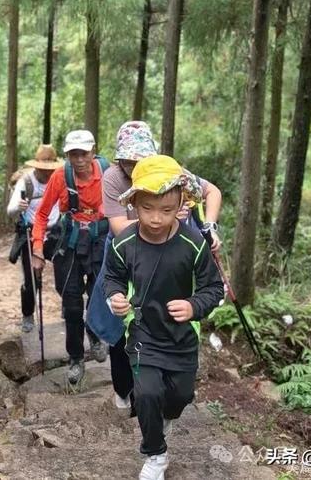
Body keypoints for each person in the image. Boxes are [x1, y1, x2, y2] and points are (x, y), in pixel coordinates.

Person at [103, 155, 224, 480]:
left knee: (179, 397)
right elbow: (112, 277)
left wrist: (193, 306)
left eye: (167, 210)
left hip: (181, 338)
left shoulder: (192, 243)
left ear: (181, 205)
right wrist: (115, 297)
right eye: (147, 209)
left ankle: (163, 419)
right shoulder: (124, 243)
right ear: (134, 204)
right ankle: (155, 454)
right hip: (143, 333)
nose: (156, 218)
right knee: (146, 394)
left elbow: (214, 288)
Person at [101, 120, 223, 410]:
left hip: (170, 250)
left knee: (163, 316)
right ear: (119, 160)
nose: (135, 166)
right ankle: (124, 388)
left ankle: (158, 392)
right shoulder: (113, 178)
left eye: (142, 159)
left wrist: (208, 226)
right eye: (128, 161)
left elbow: (212, 192)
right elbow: (118, 226)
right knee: (119, 319)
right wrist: (162, 217)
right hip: (128, 252)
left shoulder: (169, 173)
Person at [31, 129, 109, 385]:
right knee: (72, 303)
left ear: (93, 152)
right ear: (67, 155)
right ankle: (76, 358)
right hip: (71, 241)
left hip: (100, 239)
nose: (79, 159)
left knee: (99, 294)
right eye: (73, 154)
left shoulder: (108, 172)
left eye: (83, 153)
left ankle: (95, 333)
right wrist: (38, 248)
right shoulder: (60, 177)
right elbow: (42, 214)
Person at [6, 144, 62, 333]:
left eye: (50, 169)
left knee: (67, 272)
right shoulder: (26, 182)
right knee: (31, 280)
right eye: (43, 168)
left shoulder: (59, 178)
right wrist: (19, 207)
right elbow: (10, 210)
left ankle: (68, 307)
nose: (47, 172)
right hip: (30, 233)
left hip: (55, 232)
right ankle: (28, 315)